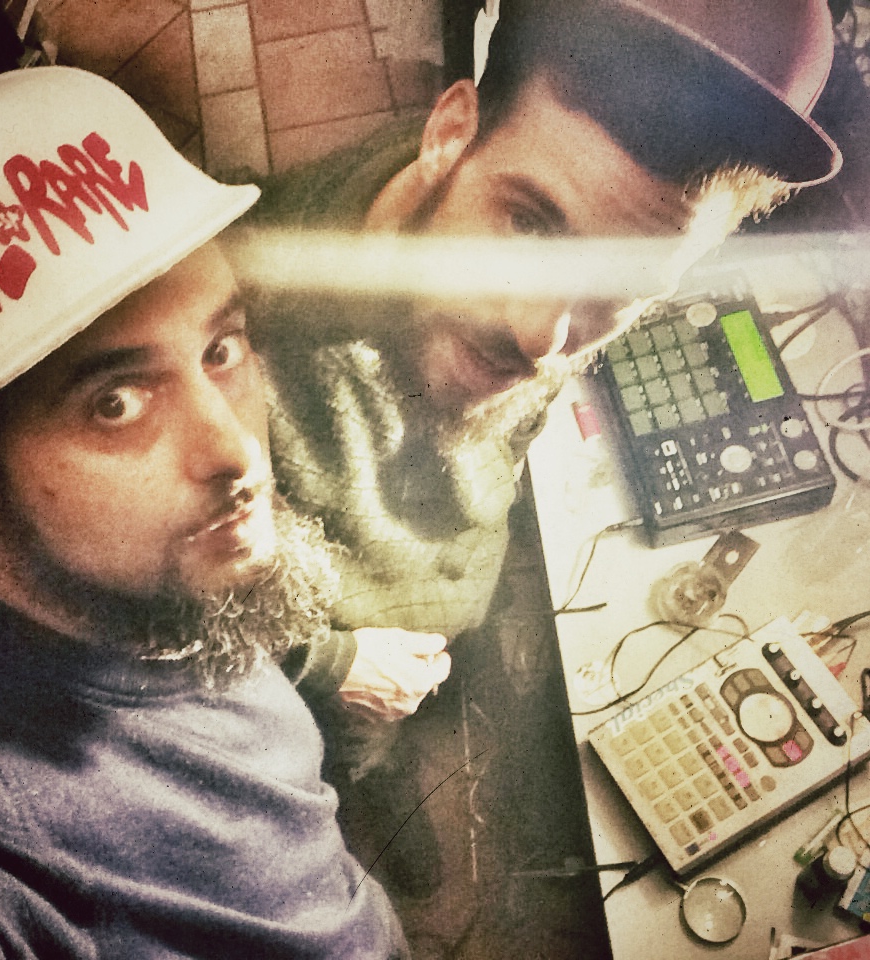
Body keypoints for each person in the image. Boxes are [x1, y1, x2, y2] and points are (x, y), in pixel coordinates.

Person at [244, 0, 844, 899]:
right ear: (450, 132)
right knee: (337, 754)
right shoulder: (224, 342)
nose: (542, 337)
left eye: (618, 285)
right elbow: (138, 626)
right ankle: (360, 785)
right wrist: (333, 668)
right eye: (529, 224)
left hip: (437, 594)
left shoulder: (522, 282)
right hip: (323, 661)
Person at [0, 66, 410, 959]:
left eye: (221, 349)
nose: (235, 451)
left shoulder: (151, 580)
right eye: (116, 403)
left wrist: (328, 660)